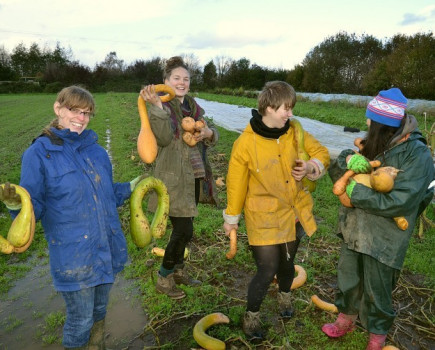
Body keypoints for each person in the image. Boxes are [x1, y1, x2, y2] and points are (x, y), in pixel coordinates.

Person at [0, 85, 143, 350]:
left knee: (100, 309)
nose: (81, 118)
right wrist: (17, 205)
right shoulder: (39, 154)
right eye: (74, 110)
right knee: (80, 320)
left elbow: (105, 192)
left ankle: (96, 345)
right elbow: (34, 210)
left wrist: (131, 188)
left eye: (87, 113)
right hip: (73, 256)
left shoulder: (97, 151)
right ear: (58, 109)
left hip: (106, 247)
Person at [324, 88, 434, 350]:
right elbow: (341, 169)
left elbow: (401, 202)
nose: (366, 123)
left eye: (370, 119)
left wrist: (356, 192)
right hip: (355, 228)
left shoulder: (416, 154)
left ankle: (377, 333)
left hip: (386, 236)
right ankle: (346, 318)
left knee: (378, 287)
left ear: (383, 123)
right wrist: (347, 159)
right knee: (348, 276)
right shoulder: (376, 143)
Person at [222, 81, 330, 340]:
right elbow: (236, 184)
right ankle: (252, 316)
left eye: (291, 108)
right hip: (263, 217)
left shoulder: (295, 132)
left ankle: (284, 297)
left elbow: (322, 153)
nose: (289, 114)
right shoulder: (245, 143)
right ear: (268, 107)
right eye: (285, 108)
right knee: (267, 268)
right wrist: (232, 219)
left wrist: (311, 167)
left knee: (288, 263)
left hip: (294, 213)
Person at [139, 56, 219, 300]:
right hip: (173, 179)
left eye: (186, 79)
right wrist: (157, 108)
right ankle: (164, 277)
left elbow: (210, 136)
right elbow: (162, 139)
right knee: (182, 229)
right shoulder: (160, 107)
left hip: (194, 175)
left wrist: (209, 133)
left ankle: (178, 271)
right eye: (176, 78)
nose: (182, 82)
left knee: (188, 229)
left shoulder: (194, 108)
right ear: (165, 81)